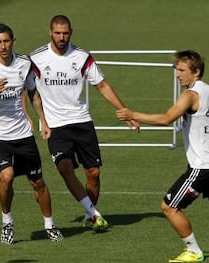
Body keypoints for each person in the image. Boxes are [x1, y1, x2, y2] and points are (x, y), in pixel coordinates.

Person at [116, 50, 209, 262]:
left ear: (196, 72)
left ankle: (193, 251)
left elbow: (166, 118)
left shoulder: (190, 95)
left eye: (182, 70)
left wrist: (133, 115)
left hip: (203, 166)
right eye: (176, 70)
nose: (177, 74)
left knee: (169, 207)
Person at [29, 15, 139, 232]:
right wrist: (41, 121)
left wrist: (124, 111)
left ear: (71, 32)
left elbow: (102, 86)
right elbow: (31, 92)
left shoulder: (81, 57)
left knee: (93, 174)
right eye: (58, 33)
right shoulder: (37, 58)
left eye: (66, 33)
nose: (62, 37)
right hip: (56, 125)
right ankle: (94, 214)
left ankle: (90, 212)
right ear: (50, 32)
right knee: (65, 167)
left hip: (81, 122)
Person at [0, 23, 63, 244]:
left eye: (6, 41)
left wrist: (43, 121)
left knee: (38, 182)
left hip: (22, 134)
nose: (3, 46)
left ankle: (50, 225)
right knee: (6, 177)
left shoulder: (25, 64)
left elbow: (33, 94)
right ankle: (7, 223)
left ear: (13, 41)